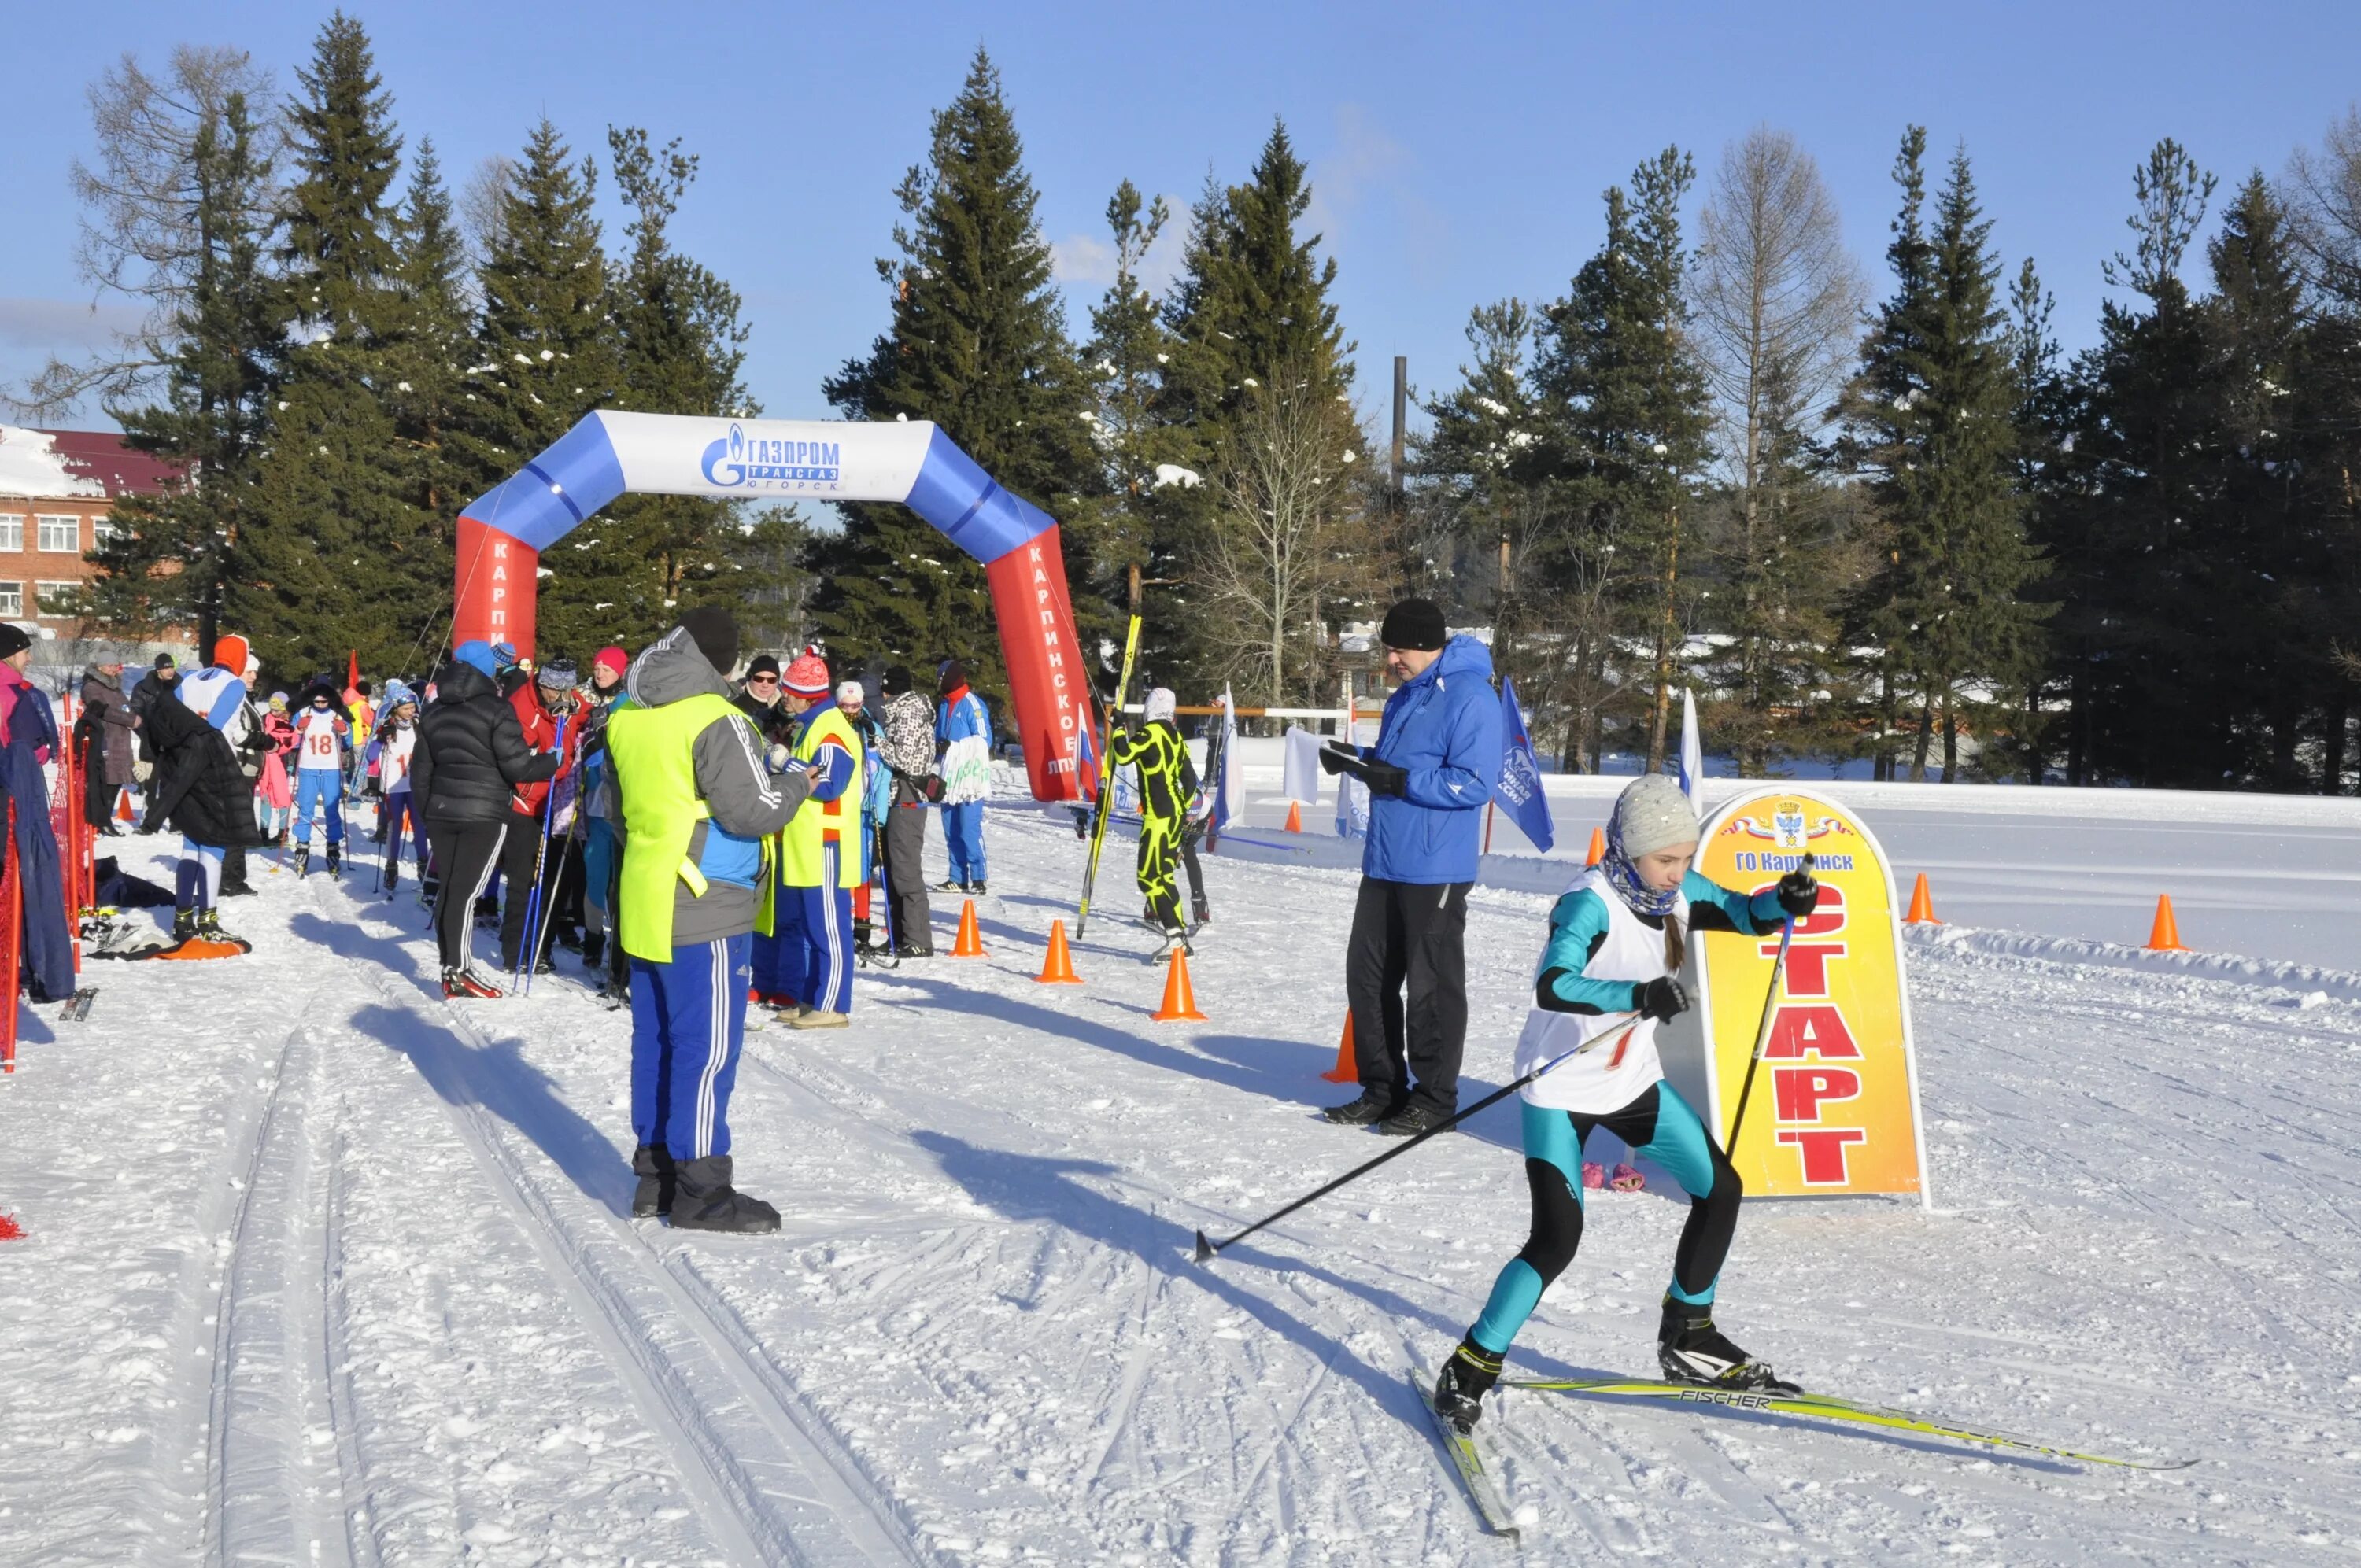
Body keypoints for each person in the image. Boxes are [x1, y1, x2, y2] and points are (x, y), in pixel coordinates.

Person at [1431, 775, 1821, 1433]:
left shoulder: (1677, 890)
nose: (1679, 873)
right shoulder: (1589, 902)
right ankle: (1470, 1363)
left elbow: (1744, 915)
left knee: (1720, 1187)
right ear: (1629, 849)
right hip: (1560, 1089)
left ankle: (1689, 1333)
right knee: (1557, 1239)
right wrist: (1637, 996)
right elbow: (1554, 984)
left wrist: (1784, 902)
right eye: (1666, 860)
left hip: (1631, 1080)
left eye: (1685, 860)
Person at [604, 607, 812, 1231]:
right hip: (707, 895)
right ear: (723, 662)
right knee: (707, 1046)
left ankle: (656, 1176)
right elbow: (752, 810)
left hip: (646, 893)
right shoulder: (716, 717)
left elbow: (617, 810)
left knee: (659, 1039)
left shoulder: (627, 716)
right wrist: (799, 782)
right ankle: (702, 1190)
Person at [1317, 599, 1502, 1137]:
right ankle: (1382, 1089)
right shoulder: (1408, 695)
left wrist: (1398, 781)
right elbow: (1401, 762)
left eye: (1398, 649)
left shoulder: (1471, 696)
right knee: (1368, 978)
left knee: (1431, 987)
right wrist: (1359, 758)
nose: (1391, 658)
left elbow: (1474, 783)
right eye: (1388, 648)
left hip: (1435, 867)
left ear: (1428, 644)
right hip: (1385, 859)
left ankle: (1435, 1098)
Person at [411, 640, 559, 997]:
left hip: (442, 812)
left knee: (451, 888)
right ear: (487, 670)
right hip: (484, 812)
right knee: (466, 892)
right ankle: (459, 971)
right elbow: (518, 766)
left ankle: (452, 967)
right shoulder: (496, 708)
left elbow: (420, 772)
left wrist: (430, 812)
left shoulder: (433, 710)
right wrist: (552, 760)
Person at [757, 652, 860, 1027]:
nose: (784, 696)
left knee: (827, 927)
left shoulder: (831, 729)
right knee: (809, 925)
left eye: (789, 690)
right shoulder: (811, 725)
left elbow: (830, 785)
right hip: (807, 844)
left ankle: (832, 1005)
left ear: (807, 695)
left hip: (826, 843)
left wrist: (787, 765)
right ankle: (812, 998)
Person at [142, 634, 265, 948]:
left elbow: (173, 714)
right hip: (212, 767)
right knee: (214, 844)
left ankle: (182, 916)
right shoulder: (234, 684)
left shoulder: (192, 678)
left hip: (184, 766)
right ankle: (208, 919)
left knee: (190, 843)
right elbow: (213, 726)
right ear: (239, 658)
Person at [494, 659, 582, 972]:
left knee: (549, 879)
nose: (561, 697)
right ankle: (515, 952)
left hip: (556, 805)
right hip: (524, 804)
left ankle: (540, 948)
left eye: (566, 690)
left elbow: (583, 710)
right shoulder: (521, 708)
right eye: (555, 691)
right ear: (542, 686)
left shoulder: (569, 701)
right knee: (523, 879)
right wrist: (544, 763)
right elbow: (514, 761)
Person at [0, 625, 73, 994]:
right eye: (25, 652)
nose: (29, 659)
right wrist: (45, 750)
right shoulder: (15, 693)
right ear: (10, 654)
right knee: (23, 884)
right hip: (17, 804)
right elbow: (28, 750)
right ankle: (33, 968)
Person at [1107, 687, 1191, 948]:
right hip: (1175, 814)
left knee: (1148, 877)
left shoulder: (1150, 733)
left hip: (1159, 817)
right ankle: (1178, 926)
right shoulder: (1176, 737)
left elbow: (1124, 755)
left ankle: (1175, 935)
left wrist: (1119, 728)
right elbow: (1190, 780)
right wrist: (1182, 809)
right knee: (1164, 875)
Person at [876, 666, 940, 958]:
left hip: (908, 796)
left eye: (885, 690)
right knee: (892, 867)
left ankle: (918, 938)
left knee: (905, 869)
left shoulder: (909, 712)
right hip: (897, 797)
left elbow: (902, 757)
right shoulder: (903, 710)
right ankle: (899, 935)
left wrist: (875, 741)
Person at [575, 644, 630, 983]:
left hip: (625, 812)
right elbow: (586, 755)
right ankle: (594, 940)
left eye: (606, 670)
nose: (599, 674)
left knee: (622, 884)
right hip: (598, 808)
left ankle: (622, 947)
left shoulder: (629, 702)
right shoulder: (584, 697)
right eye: (597, 668)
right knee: (596, 878)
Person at [837, 677, 892, 957]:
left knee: (861, 872)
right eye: (845, 706)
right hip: (838, 811)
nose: (850, 711)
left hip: (862, 811)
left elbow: (883, 775)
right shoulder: (832, 727)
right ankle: (839, 923)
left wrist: (878, 813)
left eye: (855, 705)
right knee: (840, 870)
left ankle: (863, 926)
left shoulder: (872, 730)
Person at [934, 659, 992, 895]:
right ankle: (957, 877)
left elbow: (984, 741)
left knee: (969, 829)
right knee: (951, 829)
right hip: (949, 778)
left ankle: (979, 877)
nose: (938, 685)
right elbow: (940, 738)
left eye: (941, 680)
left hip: (969, 778)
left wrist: (955, 747)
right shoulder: (944, 706)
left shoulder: (973, 705)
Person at [288, 683, 353, 876]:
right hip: (308, 768)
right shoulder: (303, 713)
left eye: (324, 701)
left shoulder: (338, 714)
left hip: (331, 769)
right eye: (316, 701)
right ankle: (302, 849)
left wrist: (344, 731)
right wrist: (298, 729)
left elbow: (348, 744)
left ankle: (333, 851)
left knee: (332, 812)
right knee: (305, 811)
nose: (320, 704)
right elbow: (291, 743)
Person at [78, 651, 139, 834]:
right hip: (106, 738)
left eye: (115, 666)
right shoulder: (92, 687)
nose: (114, 669)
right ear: (100, 667)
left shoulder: (115, 687)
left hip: (121, 738)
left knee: (117, 781)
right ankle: (102, 821)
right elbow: (103, 710)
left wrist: (133, 717)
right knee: (107, 781)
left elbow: (125, 707)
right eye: (110, 666)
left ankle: (105, 819)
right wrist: (129, 719)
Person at [373, 690, 424, 891]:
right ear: (396, 709)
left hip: (415, 784)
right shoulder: (388, 727)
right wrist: (379, 738)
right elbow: (370, 756)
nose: (410, 712)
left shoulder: (419, 726)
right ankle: (391, 865)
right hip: (393, 786)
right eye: (406, 709)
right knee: (395, 827)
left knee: (420, 824)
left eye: (413, 708)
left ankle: (423, 864)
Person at [733, 652, 788, 740]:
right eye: (759, 679)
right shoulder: (737, 704)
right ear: (749, 678)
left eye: (771, 680)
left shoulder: (785, 707)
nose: (765, 685)